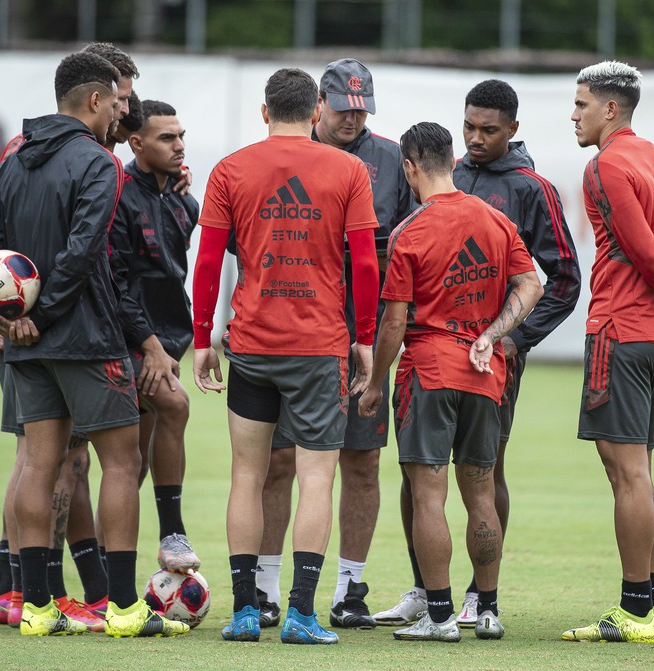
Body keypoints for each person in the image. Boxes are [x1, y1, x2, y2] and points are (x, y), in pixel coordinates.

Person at [0, 51, 188, 638]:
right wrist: (42, 316)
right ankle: (124, 609)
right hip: (86, 337)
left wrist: (10, 315)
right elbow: (86, 251)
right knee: (122, 461)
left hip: (26, 342)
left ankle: (37, 608)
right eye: (117, 102)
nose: (123, 111)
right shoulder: (98, 162)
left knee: (38, 463)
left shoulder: (14, 159)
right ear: (94, 100)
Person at [376, 78, 581, 628]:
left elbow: (562, 279)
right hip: (471, 358)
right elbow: (524, 281)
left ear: (513, 129)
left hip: (471, 360)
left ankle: (467, 599)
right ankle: (436, 592)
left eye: (488, 130)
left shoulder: (530, 189)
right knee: (440, 481)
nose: (475, 138)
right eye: (468, 126)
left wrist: (512, 339)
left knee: (469, 479)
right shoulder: (457, 182)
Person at [190, 67, 380, 645]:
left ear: (265, 112)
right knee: (316, 478)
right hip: (320, 348)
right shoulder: (348, 169)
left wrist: (202, 339)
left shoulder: (230, 169)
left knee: (246, 475)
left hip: (251, 345)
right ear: (317, 111)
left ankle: (246, 612)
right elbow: (365, 263)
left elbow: (208, 261)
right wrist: (365, 337)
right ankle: (300, 614)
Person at [358, 121, 543, 642]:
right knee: (481, 492)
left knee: (429, 496)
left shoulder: (410, 231)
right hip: (485, 374)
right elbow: (531, 285)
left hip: (430, 373)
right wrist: (492, 334)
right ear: (453, 160)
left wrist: (375, 383)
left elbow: (394, 323)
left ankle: (439, 616)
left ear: (410, 168)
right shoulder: (495, 220)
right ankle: (487, 610)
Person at [253, 57, 416, 631]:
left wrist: (386, 330)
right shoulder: (280, 156)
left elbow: (413, 246)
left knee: (362, 462)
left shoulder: (392, 161)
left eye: (362, 109)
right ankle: (265, 589)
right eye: (344, 109)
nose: (353, 119)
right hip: (292, 329)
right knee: (278, 461)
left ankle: (350, 591)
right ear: (319, 104)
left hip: (365, 333)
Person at [561, 60, 654, 644]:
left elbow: (645, 252)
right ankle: (650, 602)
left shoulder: (605, 165)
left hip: (619, 333)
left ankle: (634, 611)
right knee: (638, 471)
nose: (573, 115)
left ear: (610, 108)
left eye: (581, 104)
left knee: (625, 473)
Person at [108, 99, 202, 573]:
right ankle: (173, 534)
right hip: (128, 342)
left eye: (181, 135)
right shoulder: (118, 195)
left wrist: (166, 348)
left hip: (165, 345)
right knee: (176, 406)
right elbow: (118, 284)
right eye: (167, 138)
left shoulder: (185, 201)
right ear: (136, 143)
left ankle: (102, 575)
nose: (179, 145)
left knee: (133, 466)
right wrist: (150, 347)